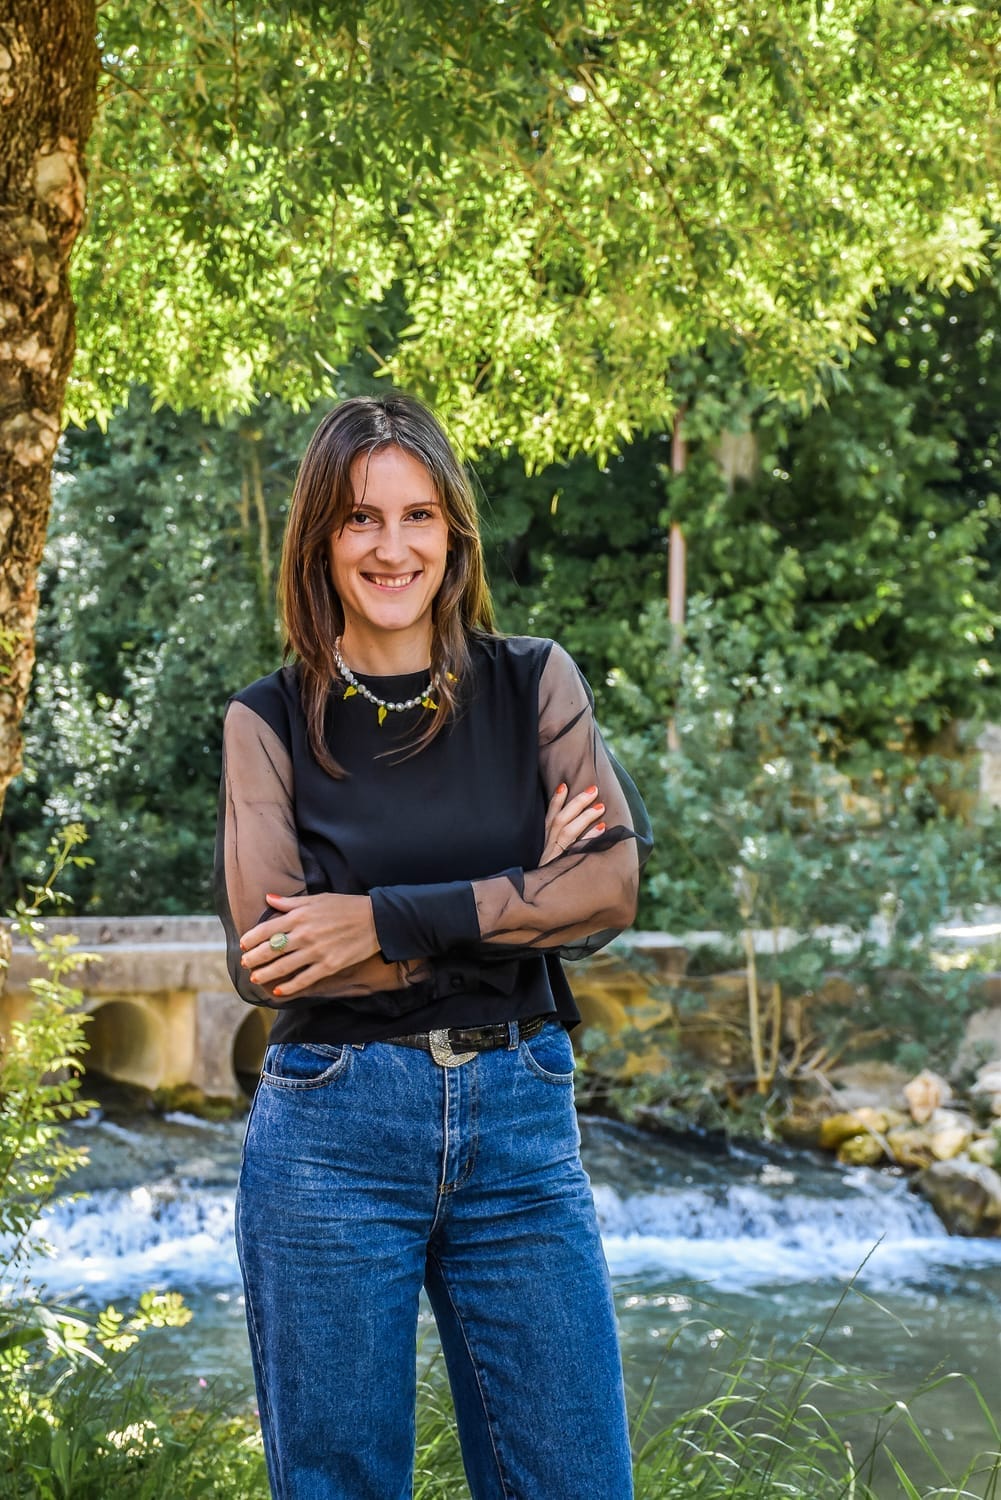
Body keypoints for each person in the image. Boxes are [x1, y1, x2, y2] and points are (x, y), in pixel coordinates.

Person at [214, 392, 652, 1500]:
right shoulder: (266, 720)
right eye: (360, 518)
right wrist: (518, 901)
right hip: (332, 1136)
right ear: (320, 538)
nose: (392, 547)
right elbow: (268, 961)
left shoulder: (534, 681)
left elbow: (607, 889)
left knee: (577, 1481)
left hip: (521, 1128)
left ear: (452, 531)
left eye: (417, 516)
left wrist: (371, 921)